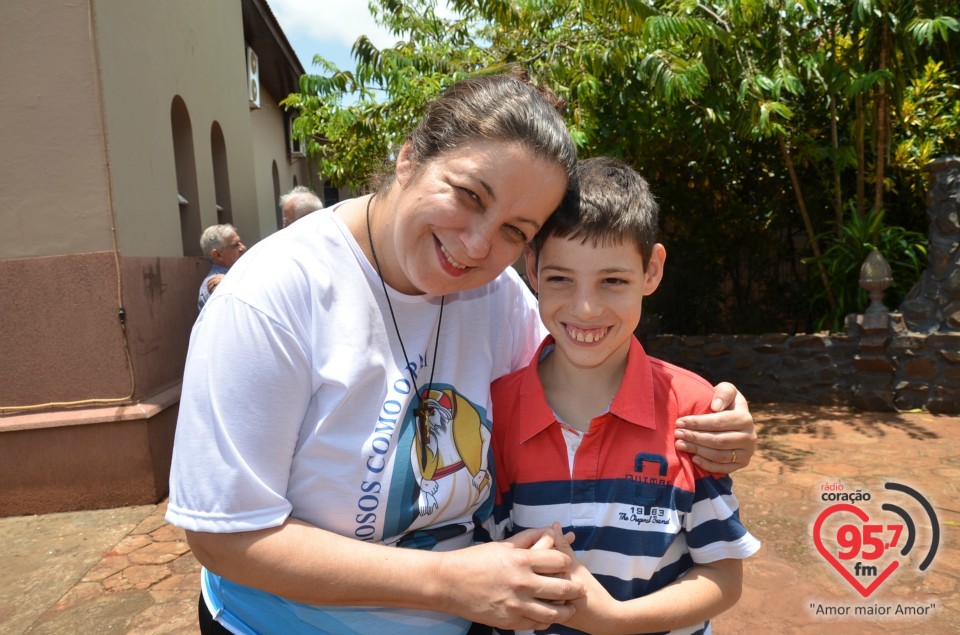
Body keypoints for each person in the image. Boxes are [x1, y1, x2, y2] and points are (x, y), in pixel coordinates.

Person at [166, 70, 757, 635]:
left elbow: (585, 359)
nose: (477, 245)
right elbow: (225, 535)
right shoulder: (271, 297)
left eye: (515, 231)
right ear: (409, 157)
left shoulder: (497, 297)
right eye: (470, 195)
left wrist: (714, 417)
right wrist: (447, 580)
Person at [486, 157, 760, 635]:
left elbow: (722, 574)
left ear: (651, 271)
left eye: (612, 280)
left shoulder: (694, 411)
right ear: (531, 267)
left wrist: (614, 620)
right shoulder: (495, 413)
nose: (585, 308)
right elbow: (483, 562)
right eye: (559, 279)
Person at [197, 224, 246, 310]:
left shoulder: (235, 276)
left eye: (240, 242)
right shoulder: (215, 284)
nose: (242, 248)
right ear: (218, 255)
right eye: (235, 245)